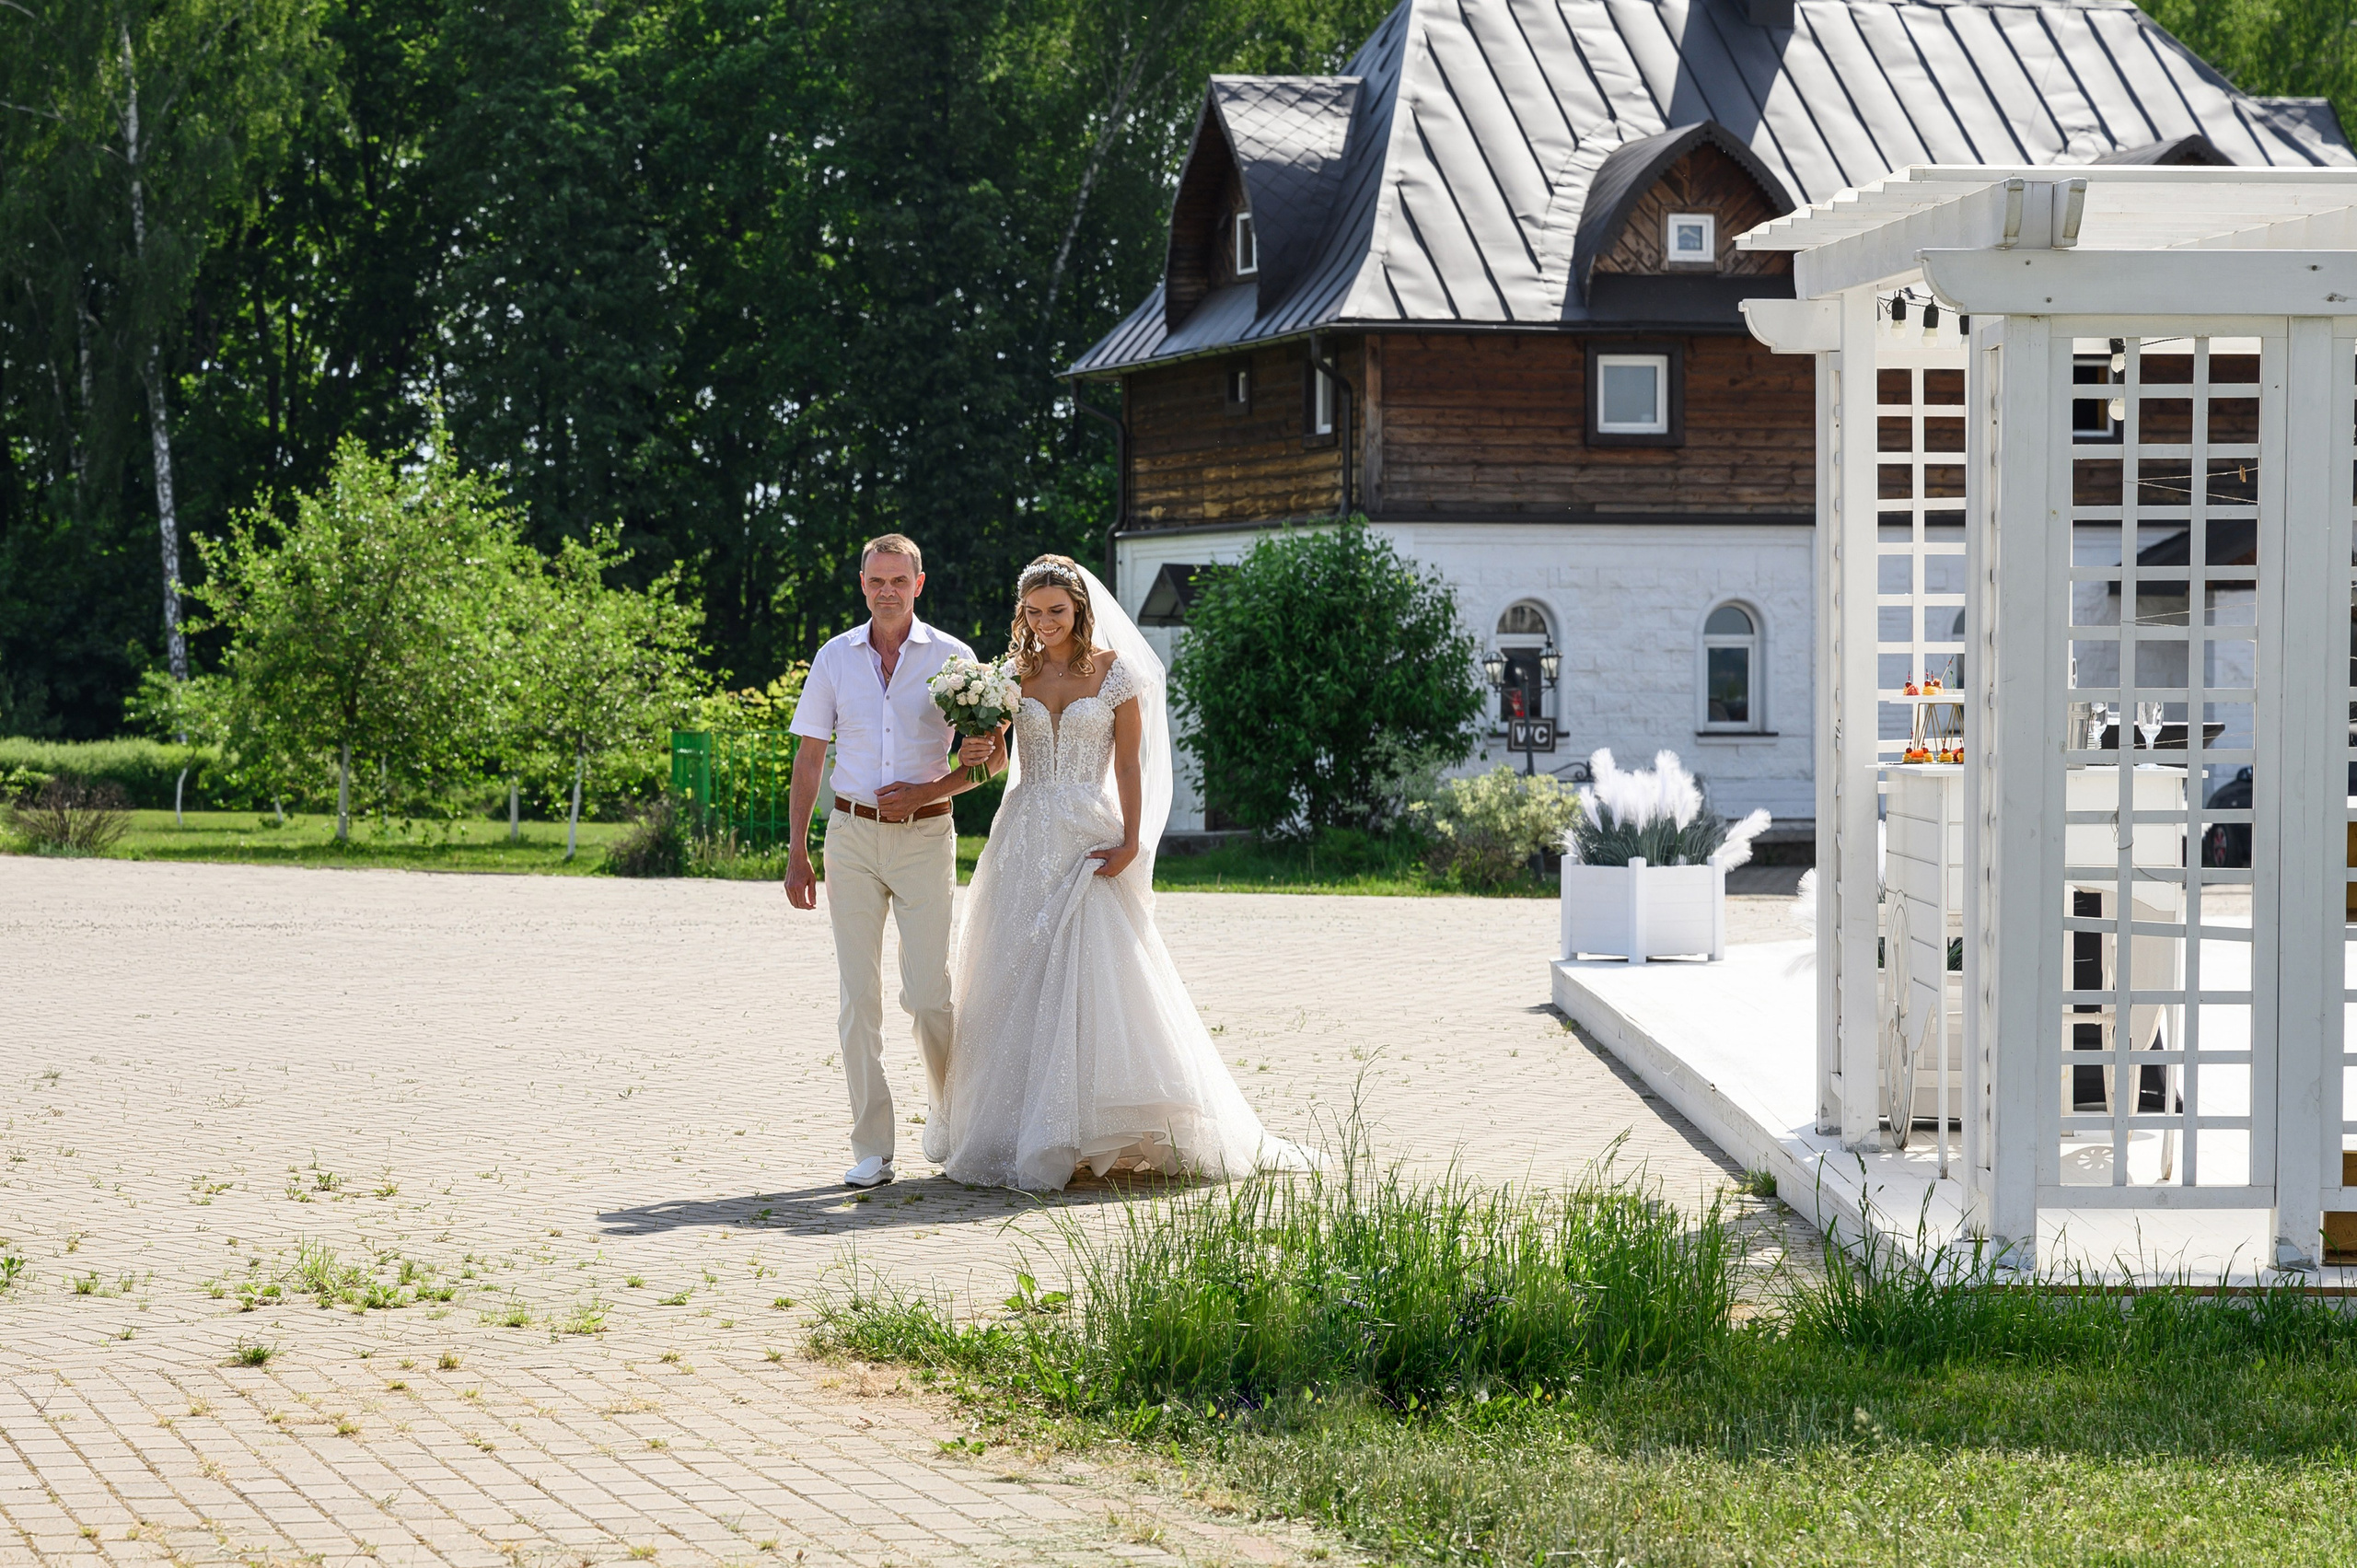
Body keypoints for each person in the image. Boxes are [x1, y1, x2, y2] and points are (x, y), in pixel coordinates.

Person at [934, 553, 1312, 1191]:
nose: (1047, 621)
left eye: (1058, 609)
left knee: (1094, 973)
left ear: (1079, 607)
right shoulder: (1010, 674)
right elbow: (995, 762)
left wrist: (1134, 839)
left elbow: (1130, 766)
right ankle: (1020, 1128)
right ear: (1021, 613)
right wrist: (968, 756)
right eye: (1035, 611)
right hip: (1023, 837)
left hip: (1088, 832)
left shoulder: (1115, 674)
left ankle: (1095, 1127)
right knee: (1015, 973)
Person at [784, 534, 985, 1189]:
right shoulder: (834, 657)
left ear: (919, 583)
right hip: (850, 837)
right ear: (862, 582)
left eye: (900, 579)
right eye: (877, 580)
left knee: (929, 995)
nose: (888, 590)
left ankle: (952, 1120)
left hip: (927, 836)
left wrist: (929, 790)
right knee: (857, 999)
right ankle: (873, 1146)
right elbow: (810, 759)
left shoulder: (954, 658)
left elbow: (990, 763)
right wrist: (797, 853)